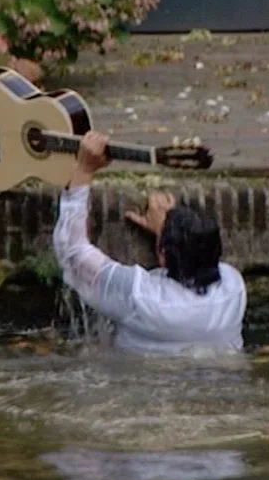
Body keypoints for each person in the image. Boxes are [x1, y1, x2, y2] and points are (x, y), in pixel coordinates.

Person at [52, 131, 247, 356]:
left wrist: (84, 170)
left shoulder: (138, 297)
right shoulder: (234, 287)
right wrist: (168, 235)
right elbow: (197, 257)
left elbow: (71, 250)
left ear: (162, 253)